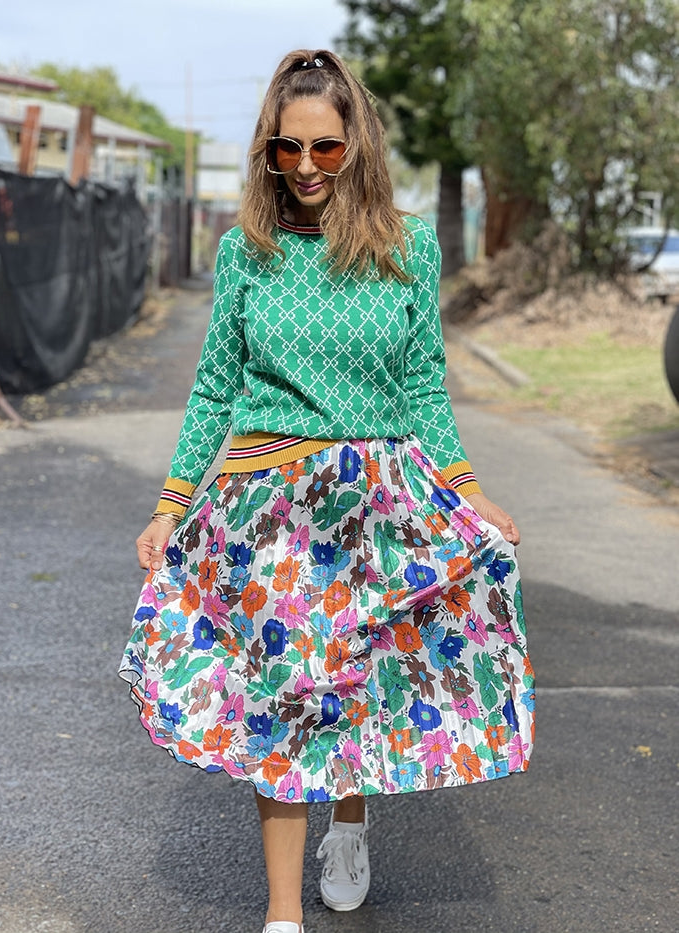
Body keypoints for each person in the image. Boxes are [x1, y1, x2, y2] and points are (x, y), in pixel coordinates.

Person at [119, 49, 535, 933]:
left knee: (357, 678)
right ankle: (281, 916)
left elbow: (424, 383)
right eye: (288, 149)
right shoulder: (247, 252)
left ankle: (349, 813)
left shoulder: (407, 246)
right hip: (271, 507)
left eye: (327, 149)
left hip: (379, 501)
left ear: (359, 147)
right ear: (268, 151)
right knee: (283, 691)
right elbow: (213, 386)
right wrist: (171, 503)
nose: (306, 167)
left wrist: (466, 491)